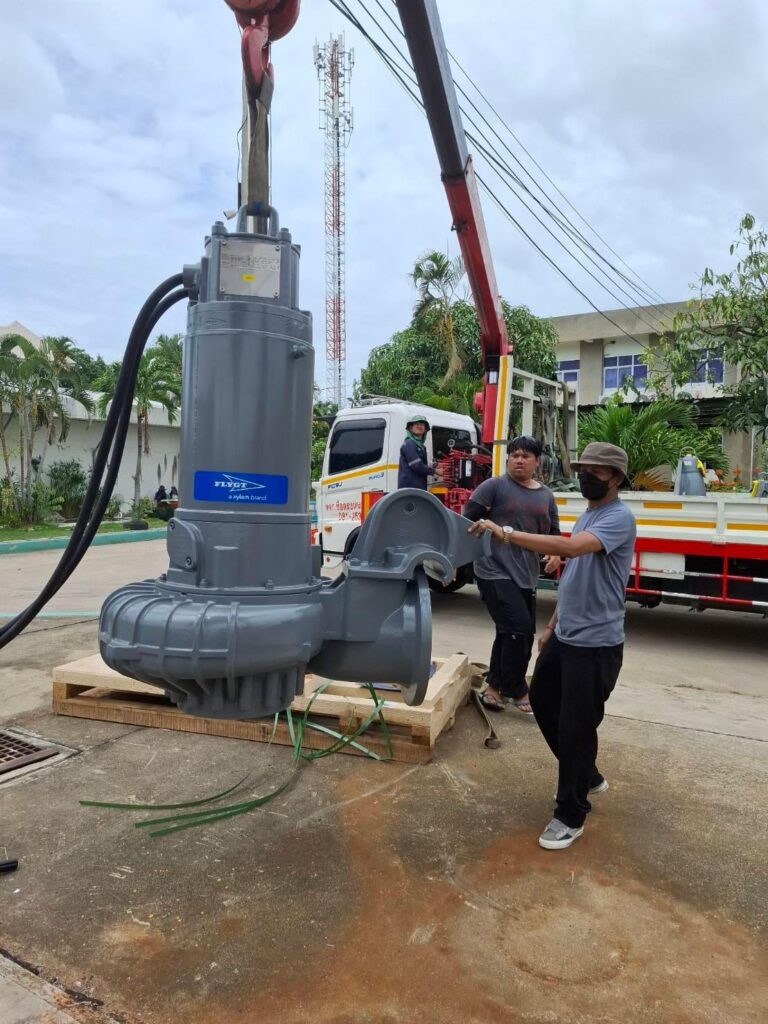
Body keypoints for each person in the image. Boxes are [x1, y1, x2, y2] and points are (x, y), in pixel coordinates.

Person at [469, 442, 636, 851]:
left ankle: (570, 813)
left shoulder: (618, 518)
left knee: (577, 725)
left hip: (595, 644)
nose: (586, 477)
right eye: (583, 469)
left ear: (615, 478)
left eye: (596, 471)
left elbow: (570, 549)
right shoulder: (589, 514)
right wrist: (552, 625)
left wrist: (506, 532)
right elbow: (575, 573)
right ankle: (586, 774)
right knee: (542, 701)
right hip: (565, 636)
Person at [464, 436, 561, 715]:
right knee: (520, 629)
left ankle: (494, 688)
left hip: (526, 575)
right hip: (493, 570)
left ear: (537, 462)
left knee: (510, 632)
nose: (519, 460)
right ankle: (517, 688)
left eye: (526, 456)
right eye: (514, 455)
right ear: (508, 458)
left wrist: (555, 555)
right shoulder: (493, 487)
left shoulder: (546, 496)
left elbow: (553, 533)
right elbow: (466, 522)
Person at [397, 416, 434, 490]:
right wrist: (435, 471)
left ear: (425, 429)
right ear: (410, 428)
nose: (419, 426)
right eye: (416, 424)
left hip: (418, 488)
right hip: (409, 488)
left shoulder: (422, 447)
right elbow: (417, 465)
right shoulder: (409, 444)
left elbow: (421, 464)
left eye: (422, 424)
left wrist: (435, 466)